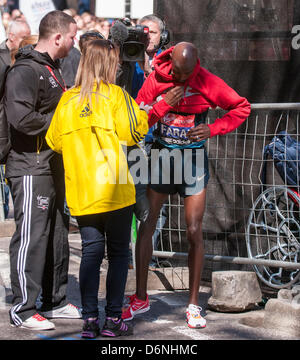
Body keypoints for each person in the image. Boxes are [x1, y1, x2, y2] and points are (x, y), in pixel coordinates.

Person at [122, 42, 251, 328]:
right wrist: (163, 104)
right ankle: (141, 296)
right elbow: (138, 122)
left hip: (193, 162)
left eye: (188, 74)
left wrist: (213, 128)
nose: (183, 80)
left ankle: (193, 304)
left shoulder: (205, 80)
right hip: (163, 158)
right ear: (173, 66)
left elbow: (241, 106)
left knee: (194, 228)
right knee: (148, 223)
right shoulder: (156, 78)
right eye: (180, 74)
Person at [46, 39, 149, 339]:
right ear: (107, 64)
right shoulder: (117, 96)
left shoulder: (67, 100)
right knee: (118, 255)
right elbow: (133, 132)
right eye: (115, 61)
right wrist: (143, 113)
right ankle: (113, 319)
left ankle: (90, 319)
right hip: (114, 191)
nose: (118, 65)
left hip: (82, 191)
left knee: (91, 254)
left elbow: (54, 141)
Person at [4, 10, 81, 331]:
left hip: (52, 166)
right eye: (73, 36)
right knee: (32, 238)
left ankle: (53, 301)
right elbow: (20, 119)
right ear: (59, 36)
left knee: (56, 235)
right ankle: (24, 308)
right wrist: (64, 124)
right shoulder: (25, 70)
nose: (75, 42)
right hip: (30, 166)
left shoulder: (53, 69)